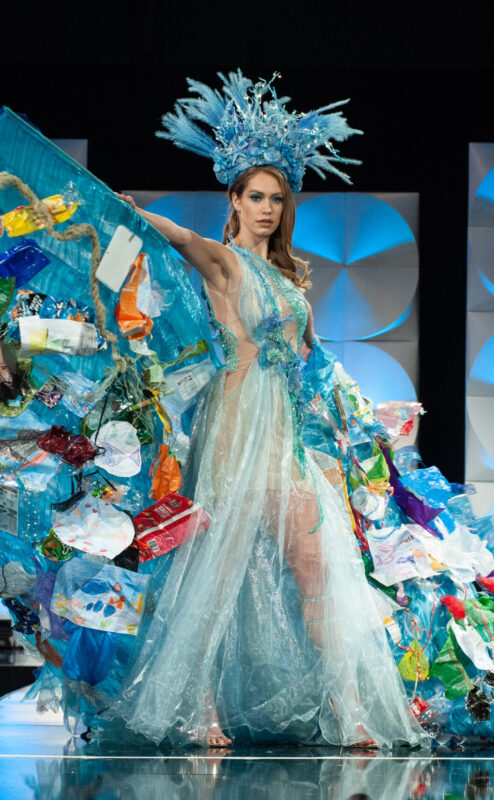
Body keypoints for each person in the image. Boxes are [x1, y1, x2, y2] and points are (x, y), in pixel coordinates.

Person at [106, 73, 428, 749]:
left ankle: (348, 710)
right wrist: (130, 214)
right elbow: (179, 238)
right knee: (215, 575)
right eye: (255, 196)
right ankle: (197, 707)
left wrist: (369, 415)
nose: (266, 208)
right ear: (234, 199)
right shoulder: (226, 265)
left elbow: (318, 367)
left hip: (283, 438)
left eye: (277, 199)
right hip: (233, 433)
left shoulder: (290, 281)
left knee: (315, 568)